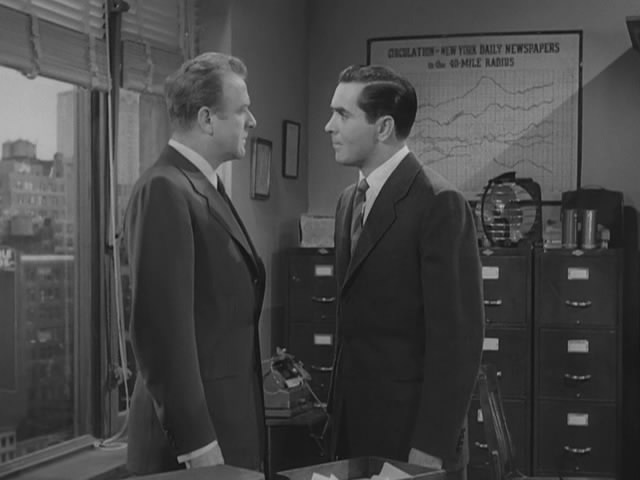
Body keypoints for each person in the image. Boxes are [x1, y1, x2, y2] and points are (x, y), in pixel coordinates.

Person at [324, 64, 484, 480]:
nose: (329, 126)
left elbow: (458, 341)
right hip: (353, 431)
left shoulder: (438, 202)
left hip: (413, 440)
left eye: (342, 114)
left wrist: (430, 448)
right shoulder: (348, 201)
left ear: (383, 127)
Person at [124, 52, 266, 475]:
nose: (252, 121)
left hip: (228, 426)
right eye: (241, 110)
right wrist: (196, 443)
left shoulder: (206, 186)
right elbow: (160, 333)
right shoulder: (165, 188)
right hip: (194, 445)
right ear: (206, 118)